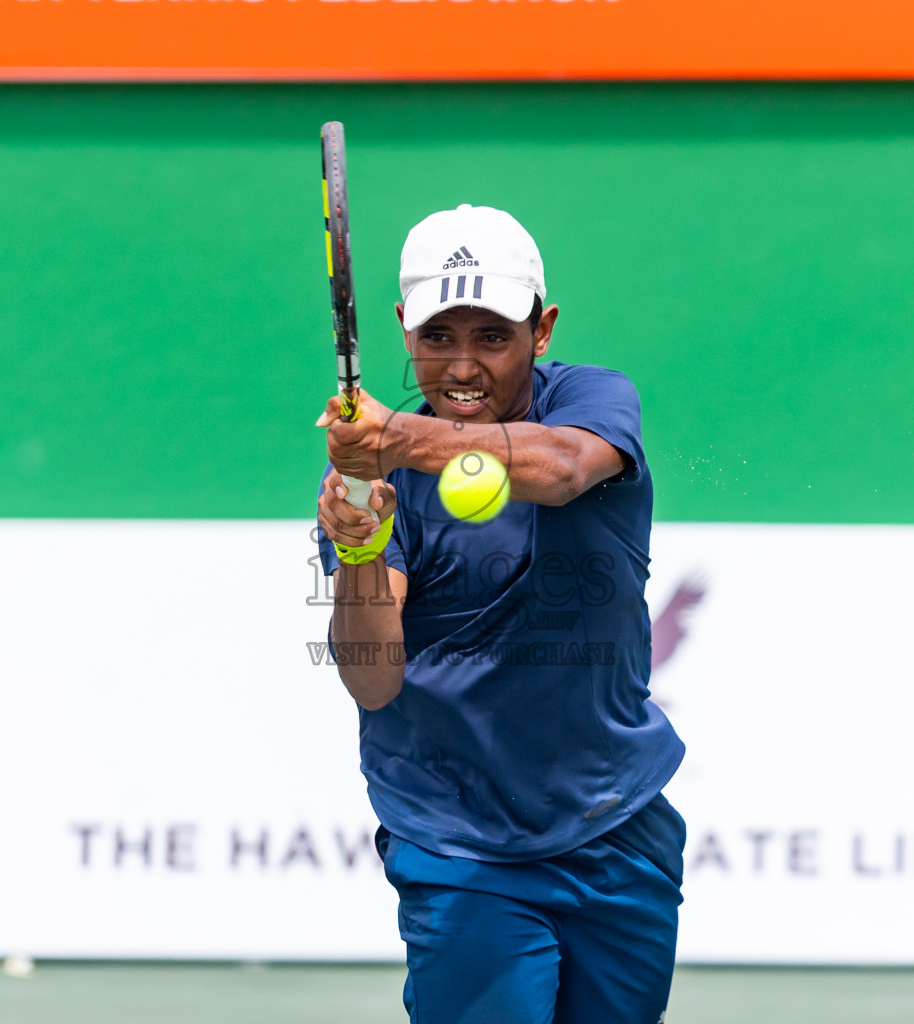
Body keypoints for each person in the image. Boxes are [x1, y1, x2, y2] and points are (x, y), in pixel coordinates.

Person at [315, 204, 685, 1024]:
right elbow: (374, 683)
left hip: (614, 819)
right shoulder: (375, 483)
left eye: (492, 336)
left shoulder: (591, 400)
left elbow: (561, 470)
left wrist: (403, 439)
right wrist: (361, 549)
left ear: (541, 330)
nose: (463, 364)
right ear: (405, 328)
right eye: (440, 336)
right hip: (459, 845)